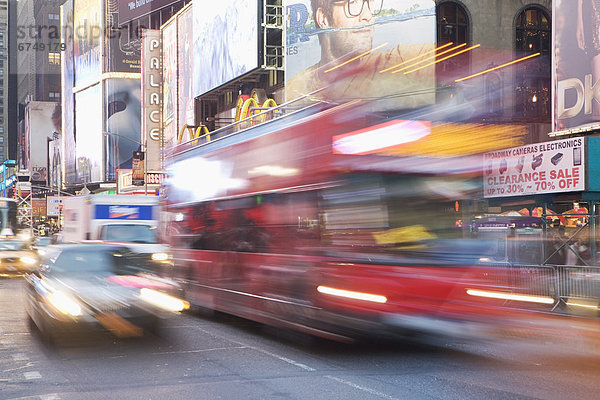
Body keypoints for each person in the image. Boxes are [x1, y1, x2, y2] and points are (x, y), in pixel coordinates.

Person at [286, 0, 435, 109]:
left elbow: (451, 53)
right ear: (324, 19)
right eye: (353, 4)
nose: (367, 16)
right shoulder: (296, 89)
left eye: (370, 3)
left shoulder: (398, 62)